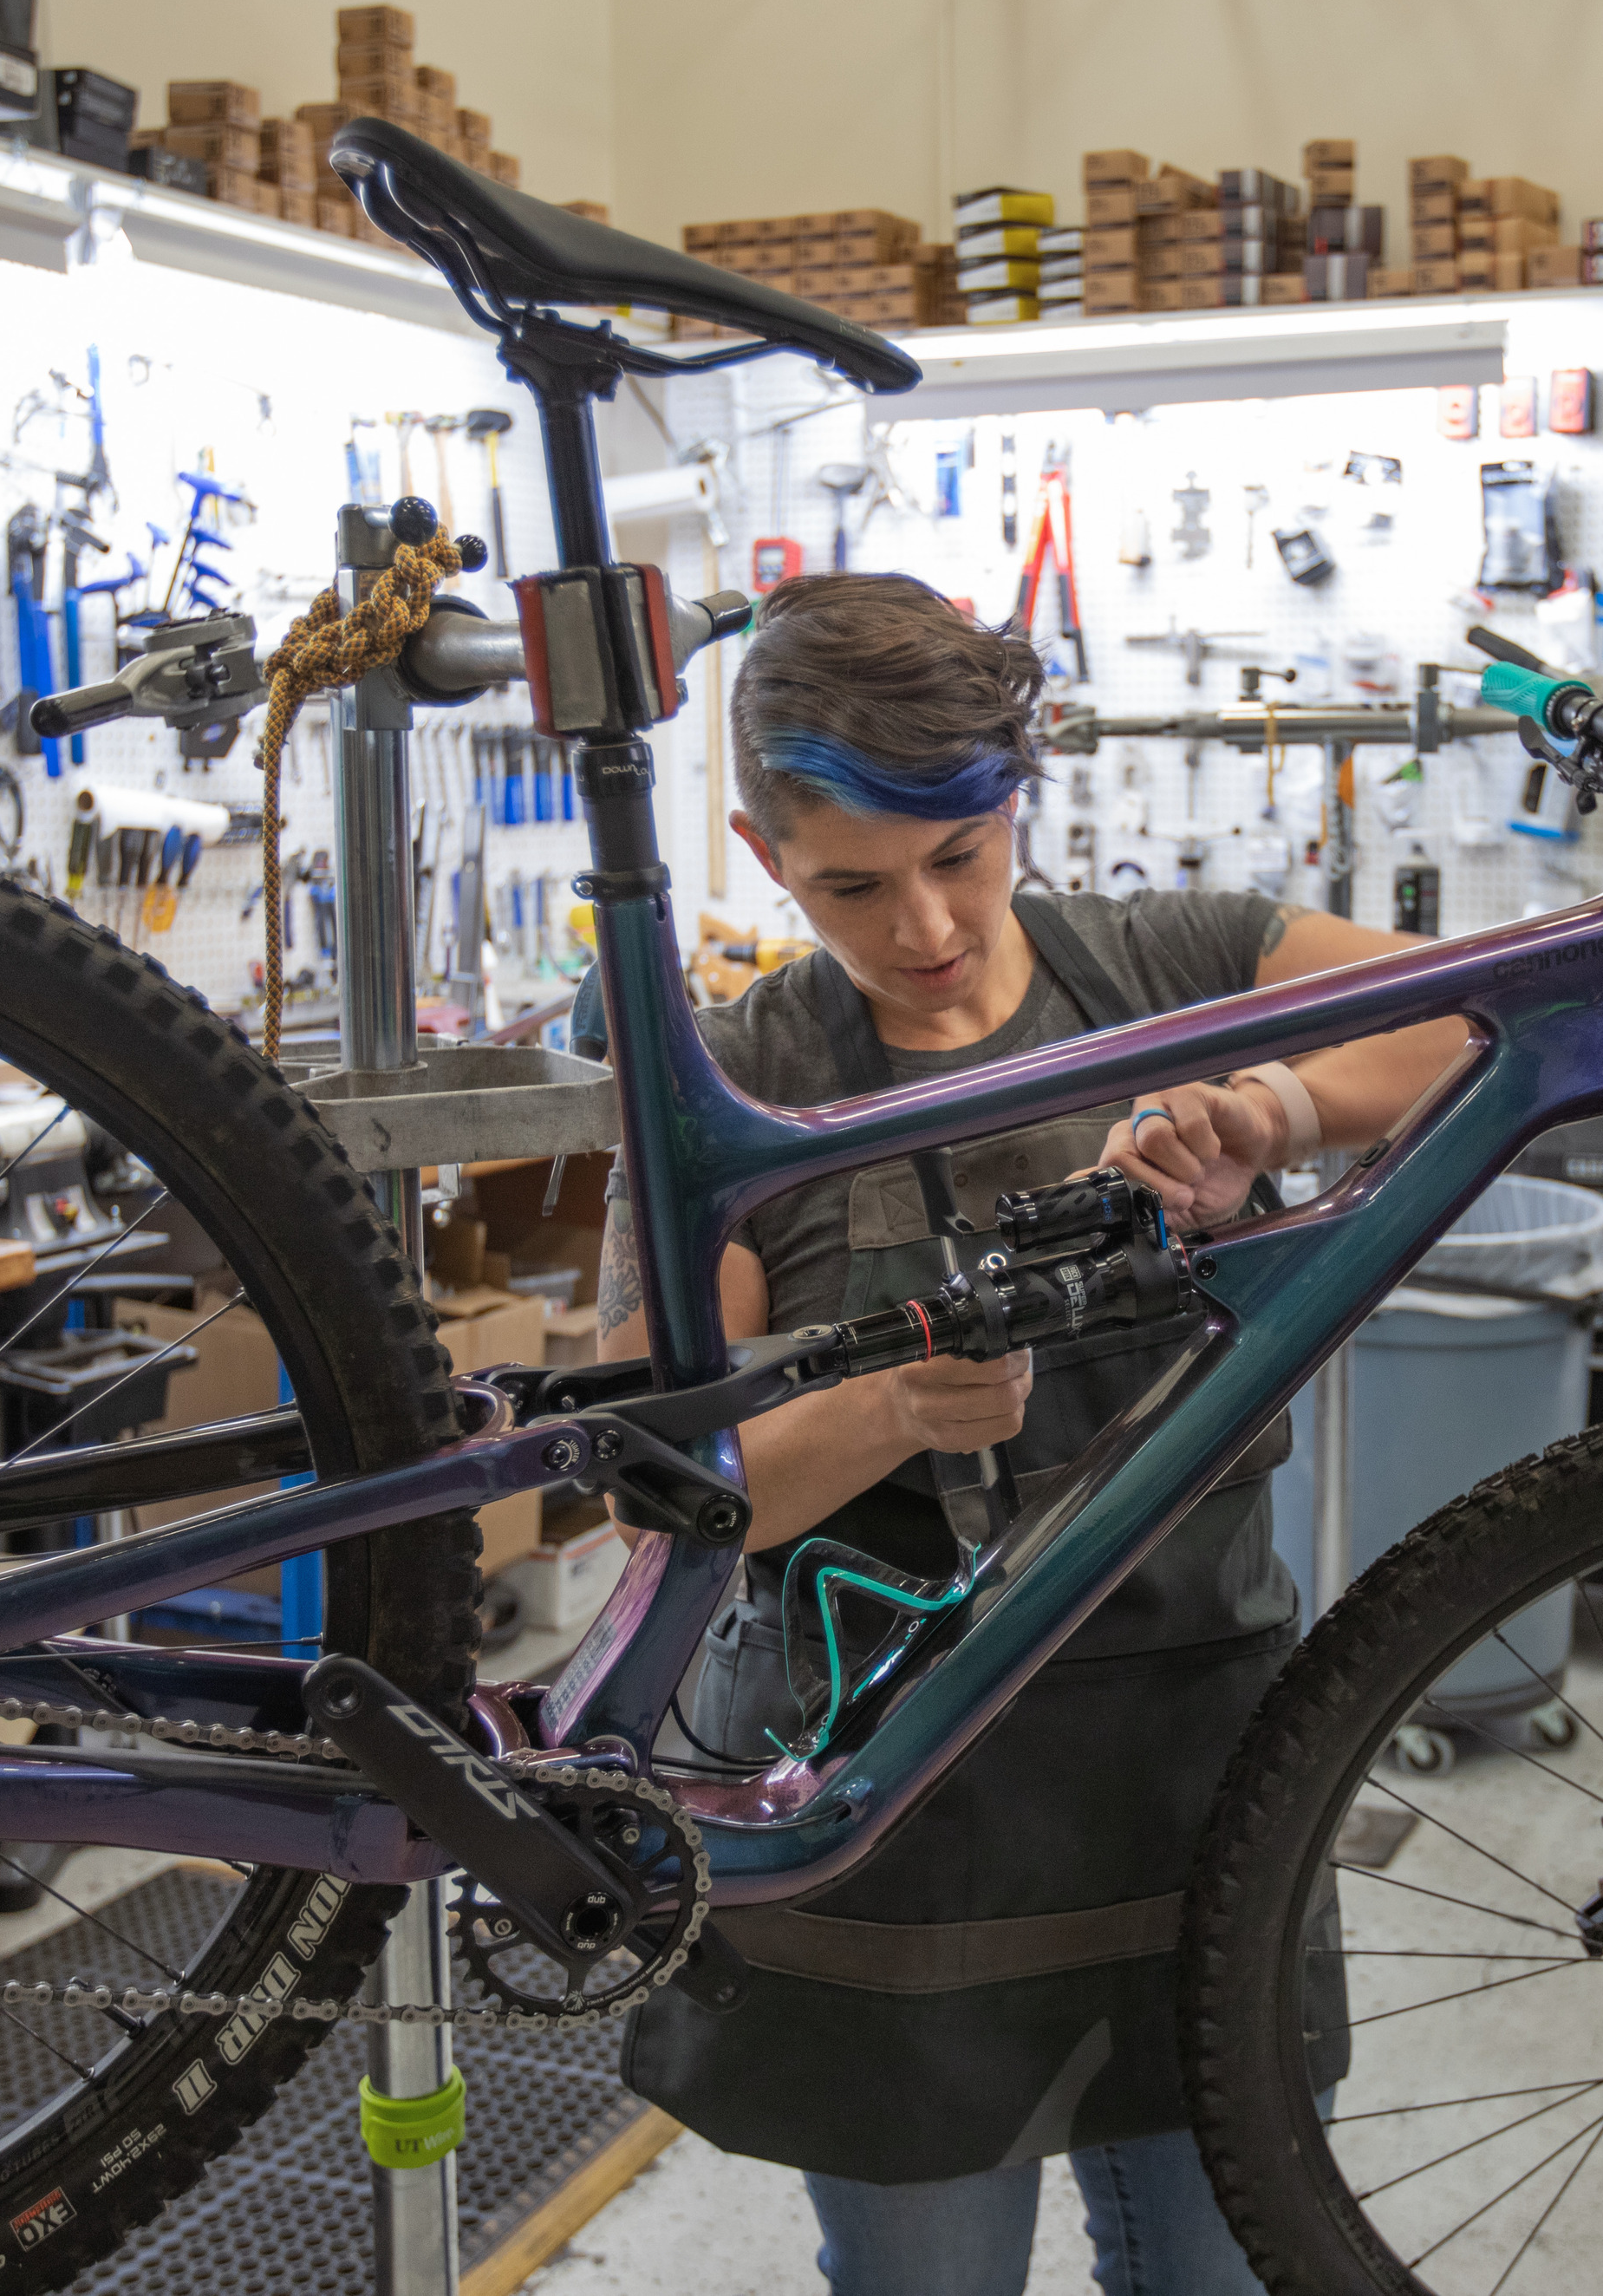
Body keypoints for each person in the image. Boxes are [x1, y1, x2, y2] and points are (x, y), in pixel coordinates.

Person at [594, 572, 1463, 2296]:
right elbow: (663, 1494)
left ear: (1016, 804)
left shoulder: (1177, 968)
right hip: (896, 1809)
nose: (920, 923)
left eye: (958, 858)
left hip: (1194, 1769)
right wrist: (890, 1407)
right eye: (851, 883)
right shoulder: (731, 1090)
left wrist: (1273, 1101)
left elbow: (1512, 1022)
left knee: (1220, 2274)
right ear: (771, 863)